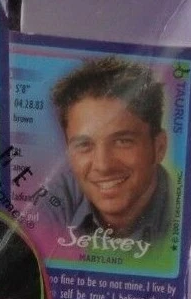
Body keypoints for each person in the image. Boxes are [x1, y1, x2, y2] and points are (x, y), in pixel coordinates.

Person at [43, 57, 172, 244]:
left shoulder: (186, 214)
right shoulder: (54, 197)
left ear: (159, 147)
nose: (103, 166)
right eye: (84, 145)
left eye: (122, 141)